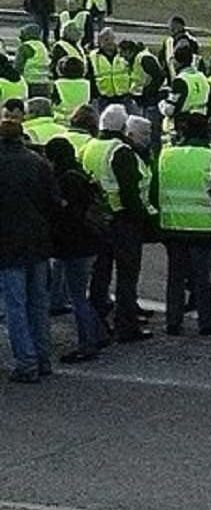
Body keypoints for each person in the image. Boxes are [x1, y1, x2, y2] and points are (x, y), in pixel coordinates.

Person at [155, 111, 211, 337]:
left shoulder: (166, 155)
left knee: (175, 277)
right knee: (202, 278)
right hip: (204, 227)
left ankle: (173, 321)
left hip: (172, 224)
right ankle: (205, 322)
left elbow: (156, 189)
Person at [82, 105, 153, 343]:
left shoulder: (89, 146)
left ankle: (96, 323)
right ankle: (126, 325)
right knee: (126, 277)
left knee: (100, 276)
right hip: (123, 221)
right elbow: (129, 191)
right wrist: (143, 217)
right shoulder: (120, 151)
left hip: (97, 219)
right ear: (123, 128)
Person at [0, 110, 56, 382]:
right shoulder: (38, 163)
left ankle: (26, 362)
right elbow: (52, 203)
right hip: (38, 241)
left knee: (15, 306)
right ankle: (43, 357)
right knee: (38, 303)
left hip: (8, 244)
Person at [43, 136, 106, 362]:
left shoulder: (63, 180)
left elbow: (66, 217)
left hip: (74, 245)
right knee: (80, 293)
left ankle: (87, 343)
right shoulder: (78, 173)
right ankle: (98, 333)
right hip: (89, 241)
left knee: (77, 296)